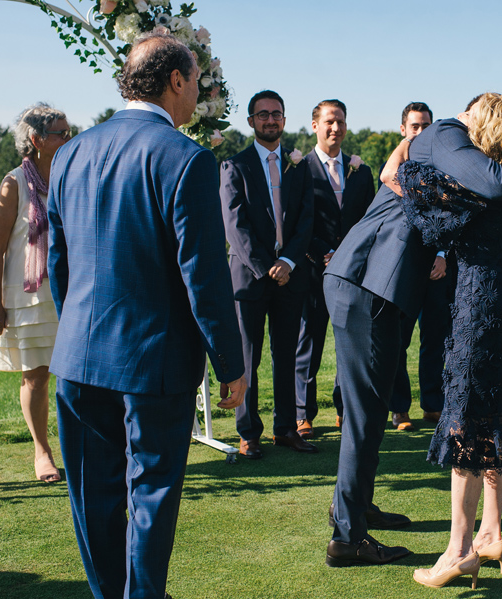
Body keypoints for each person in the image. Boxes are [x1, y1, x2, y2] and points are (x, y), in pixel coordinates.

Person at [47, 31, 246, 599]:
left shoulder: (70, 152)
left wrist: (77, 335)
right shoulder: (186, 159)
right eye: (197, 82)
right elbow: (203, 276)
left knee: (93, 496)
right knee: (151, 494)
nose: (197, 93)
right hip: (153, 362)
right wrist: (230, 363)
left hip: (80, 358)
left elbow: (60, 263)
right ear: (177, 80)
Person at [323, 96, 502, 568]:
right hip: (367, 279)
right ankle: (347, 537)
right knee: (364, 411)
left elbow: (473, 210)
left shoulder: (444, 148)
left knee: (373, 406)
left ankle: (356, 511)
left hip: (382, 284)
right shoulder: (445, 132)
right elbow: (492, 181)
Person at [392, 93, 502, 590]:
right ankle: (492, 531)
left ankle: (458, 550)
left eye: (472, 112)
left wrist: (407, 165)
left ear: (485, 123)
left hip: (478, 303)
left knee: (466, 424)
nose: (463, 117)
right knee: (494, 415)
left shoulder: (475, 188)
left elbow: (409, 191)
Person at [220, 90, 316, 458]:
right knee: (248, 358)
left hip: (290, 276)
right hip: (250, 278)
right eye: (263, 115)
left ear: (285, 119)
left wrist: (288, 262)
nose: (270, 120)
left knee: (286, 355)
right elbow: (235, 226)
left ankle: (286, 429)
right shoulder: (235, 165)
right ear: (251, 122)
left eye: (276, 114)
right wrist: (266, 267)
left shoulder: (299, 166)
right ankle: (248, 433)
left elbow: (306, 219)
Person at [0, 103, 69, 483]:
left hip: (73, 291)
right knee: (36, 375)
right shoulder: (14, 183)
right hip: (29, 296)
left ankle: (81, 447)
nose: (68, 138)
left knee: (78, 375)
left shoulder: (71, 176)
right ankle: (42, 451)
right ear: (36, 140)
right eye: (59, 133)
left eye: (69, 131)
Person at [294, 99, 374, 438]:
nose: (335, 128)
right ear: (315, 125)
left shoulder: (362, 171)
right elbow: (296, 220)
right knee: (308, 343)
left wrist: (351, 255)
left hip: (353, 275)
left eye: (340, 121)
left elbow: (371, 220)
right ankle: (303, 414)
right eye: (329, 121)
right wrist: (322, 252)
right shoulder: (298, 169)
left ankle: (346, 409)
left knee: (350, 343)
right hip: (313, 270)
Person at [387, 102, 449, 432]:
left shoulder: (446, 167)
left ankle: (433, 404)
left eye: (426, 125)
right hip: (405, 269)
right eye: (415, 126)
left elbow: (453, 217)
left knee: (436, 339)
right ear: (403, 130)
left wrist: (442, 255)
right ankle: (399, 408)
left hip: (438, 268)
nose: (421, 132)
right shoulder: (395, 166)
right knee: (399, 340)